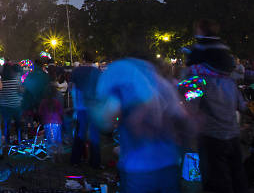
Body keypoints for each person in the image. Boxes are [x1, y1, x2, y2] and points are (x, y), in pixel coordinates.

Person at [93, 55, 191, 193]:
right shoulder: (169, 88)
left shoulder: (130, 87)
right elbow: (184, 121)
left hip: (138, 167)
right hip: (168, 164)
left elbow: (108, 120)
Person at [184, 20, 247, 193]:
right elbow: (241, 106)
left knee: (217, 182)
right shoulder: (229, 79)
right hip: (232, 135)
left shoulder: (198, 80)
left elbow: (191, 106)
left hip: (211, 137)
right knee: (237, 177)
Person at [70, 64, 102, 168]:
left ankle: (75, 160)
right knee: (94, 134)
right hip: (93, 107)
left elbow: (71, 87)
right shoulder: (96, 72)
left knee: (80, 133)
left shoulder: (77, 71)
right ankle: (95, 162)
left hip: (81, 107)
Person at [0, 64, 24, 145]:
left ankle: (7, 142)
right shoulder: (16, 79)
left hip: (5, 106)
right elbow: (20, 91)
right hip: (16, 105)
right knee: (18, 124)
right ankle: (19, 140)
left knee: (7, 125)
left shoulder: (1, 81)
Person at [38, 85, 64, 156]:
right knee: (58, 140)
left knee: (51, 141)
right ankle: (59, 155)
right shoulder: (57, 102)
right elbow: (61, 112)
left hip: (48, 123)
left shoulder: (43, 102)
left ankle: (53, 157)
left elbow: (40, 112)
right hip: (58, 123)